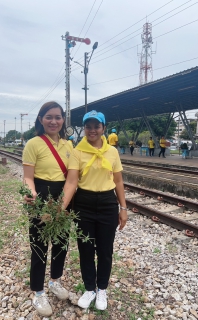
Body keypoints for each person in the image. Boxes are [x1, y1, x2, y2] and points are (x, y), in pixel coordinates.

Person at [62, 110, 127, 311]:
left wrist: (123, 207)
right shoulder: (77, 151)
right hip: (84, 203)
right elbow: (72, 181)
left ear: (103, 128)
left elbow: (118, 180)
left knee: (105, 250)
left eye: (96, 126)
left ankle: (102, 289)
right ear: (84, 128)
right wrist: (60, 208)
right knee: (86, 249)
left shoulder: (113, 152)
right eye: (88, 126)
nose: (92, 130)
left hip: (108, 203)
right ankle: (90, 288)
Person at [22, 101, 73, 317]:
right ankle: (39, 292)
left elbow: (72, 178)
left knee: (61, 242)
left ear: (63, 120)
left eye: (58, 117)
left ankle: (55, 281)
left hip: (63, 197)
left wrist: (62, 205)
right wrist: (33, 195)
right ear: (41, 119)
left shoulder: (69, 145)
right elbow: (27, 177)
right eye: (49, 117)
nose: (54, 121)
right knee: (39, 245)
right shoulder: (33, 144)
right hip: (41, 197)